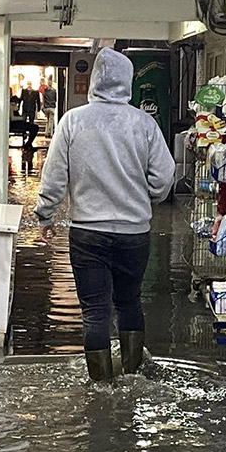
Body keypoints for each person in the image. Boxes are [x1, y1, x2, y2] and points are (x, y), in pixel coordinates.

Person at [34, 48, 175, 381]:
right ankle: (133, 375)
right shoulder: (144, 123)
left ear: (95, 80)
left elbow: (54, 175)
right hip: (133, 235)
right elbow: (165, 175)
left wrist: (45, 215)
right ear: (127, 81)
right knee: (129, 303)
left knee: (94, 313)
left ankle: (101, 387)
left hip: (87, 235)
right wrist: (147, 199)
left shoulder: (73, 121)